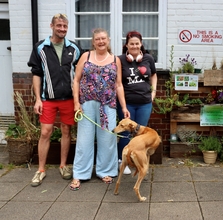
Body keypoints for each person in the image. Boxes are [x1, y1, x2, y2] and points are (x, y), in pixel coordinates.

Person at [69, 28, 130, 191]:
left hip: (108, 105)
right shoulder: (85, 57)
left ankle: (105, 171)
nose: (101, 41)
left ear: (108, 40)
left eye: (103, 38)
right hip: (86, 104)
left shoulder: (115, 60)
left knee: (107, 140)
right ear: (93, 41)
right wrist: (76, 103)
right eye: (97, 39)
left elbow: (118, 85)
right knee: (84, 140)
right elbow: (76, 80)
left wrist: (123, 107)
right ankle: (80, 173)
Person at [27, 13, 82, 187]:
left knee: (66, 131)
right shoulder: (40, 47)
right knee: (45, 132)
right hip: (48, 99)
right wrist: (38, 99)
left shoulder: (74, 48)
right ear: (52, 26)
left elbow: (79, 75)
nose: (62, 29)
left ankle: (63, 166)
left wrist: (77, 100)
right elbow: (36, 74)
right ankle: (41, 170)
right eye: (59, 26)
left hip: (68, 98)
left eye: (65, 26)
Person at [117, 31, 158, 174]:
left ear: (141, 44)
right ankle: (123, 161)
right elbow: (118, 83)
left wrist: (153, 92)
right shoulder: (120, 60)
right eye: (131, 44)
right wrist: (122, 106)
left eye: (137, 43)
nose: (134, 46)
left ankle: (137, 159)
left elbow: (153, 75)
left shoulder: (148, 58)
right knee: (125, 132)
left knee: (140, 134)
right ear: (126, 45)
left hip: (145, 103)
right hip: (127, 103)